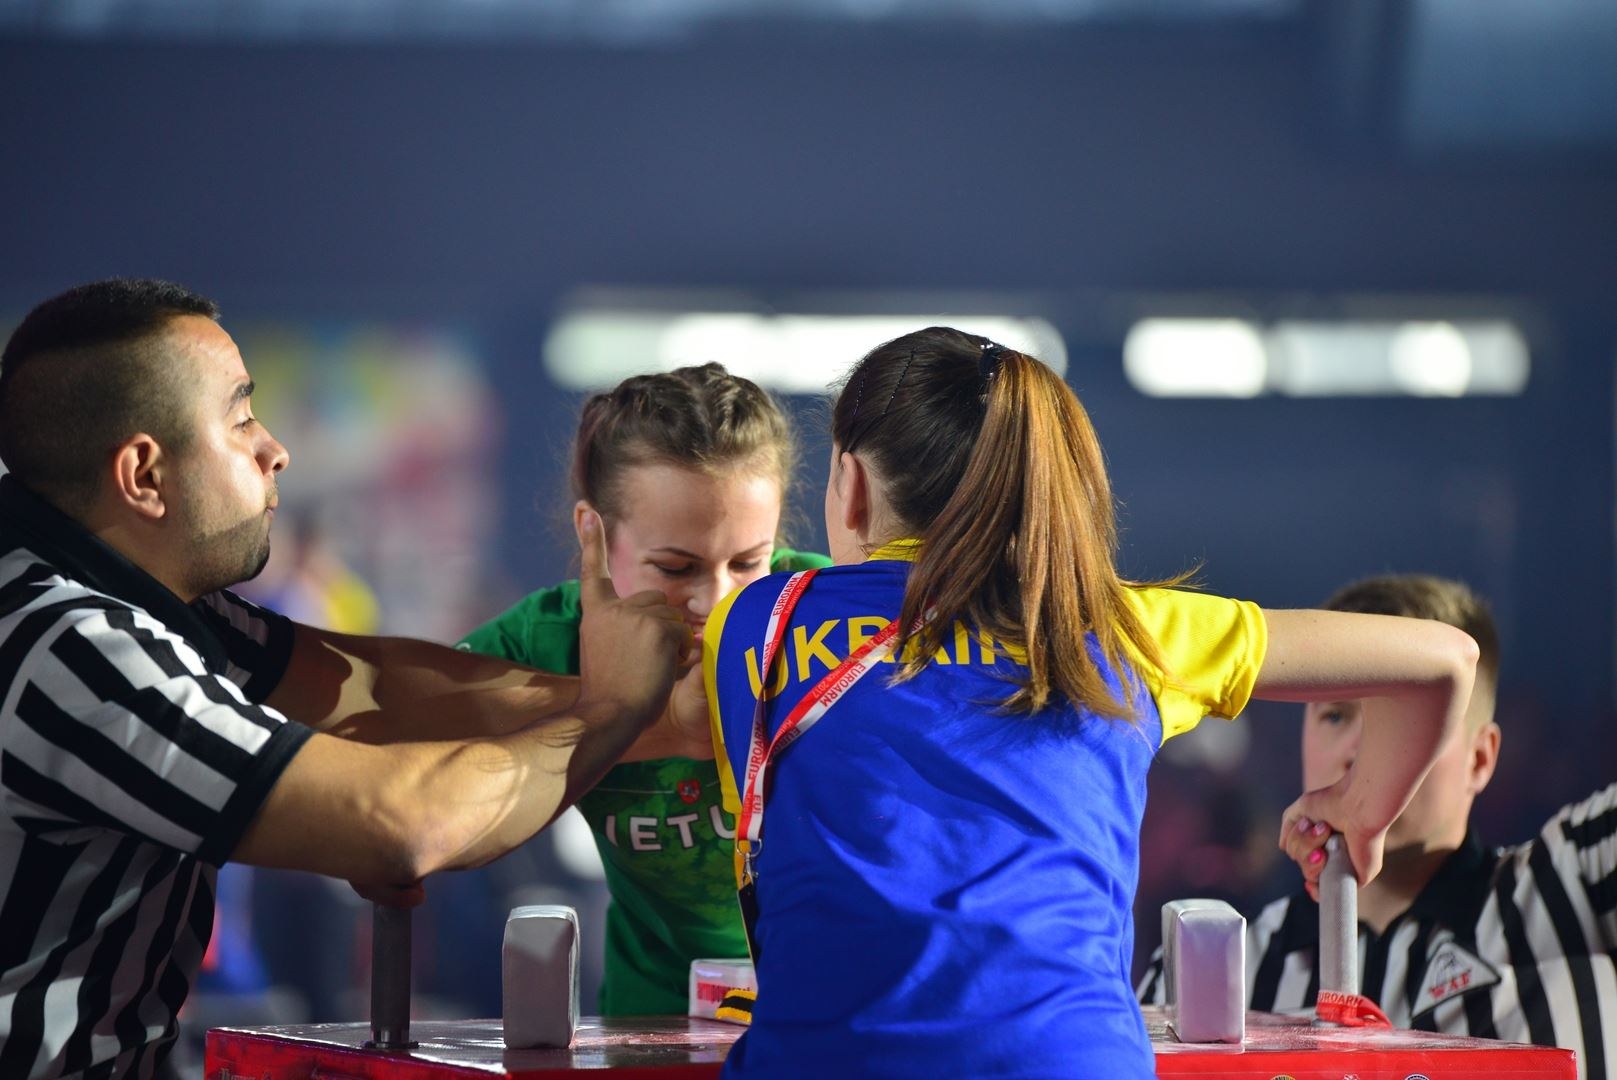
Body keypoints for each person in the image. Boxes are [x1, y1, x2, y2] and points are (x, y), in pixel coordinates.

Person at [699, 327, 1479, 1079]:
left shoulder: (758, 628)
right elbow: (1445, 658)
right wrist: (1361, 808)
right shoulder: (1128, 629)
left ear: (852, 483)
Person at [0, 279, 692, 1079]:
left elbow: (371, 686)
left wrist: (670, 712)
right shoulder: (66, 645)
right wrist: (611, 708)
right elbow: (397, 827)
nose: (274, 449)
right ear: (144, 476)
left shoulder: (138, 601)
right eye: (240, 418)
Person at [458, 363, 829, 1015]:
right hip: (649, 1022)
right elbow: (402, 779)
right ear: (592, 536)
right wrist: (642, 718)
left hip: (825, 1013)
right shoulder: (545, 644)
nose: (715, 603)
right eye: (675, 567)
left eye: (748, 563)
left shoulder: (825, 617)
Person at [1138, 574, 1616, 1080]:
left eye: (1405, 720)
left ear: (1480, 758)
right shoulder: (1215, 966)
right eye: (1337, 717)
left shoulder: (1574, 880)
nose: (1362, 753)